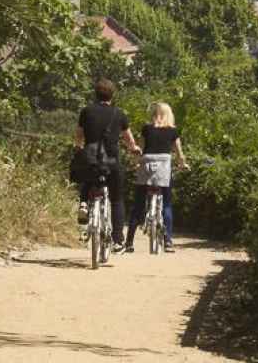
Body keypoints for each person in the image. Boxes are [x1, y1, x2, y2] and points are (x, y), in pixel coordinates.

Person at [75, 79, 140, 258]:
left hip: (91, 158)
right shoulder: (119, 114)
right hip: (111, 160)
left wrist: (79, 146)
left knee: (88, 177)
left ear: (95, 94)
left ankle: (83, 204)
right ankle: (118, 240)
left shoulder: (86, 111)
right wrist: (134, 148)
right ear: (113, 95)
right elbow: (128, 139)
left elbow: (79, 136)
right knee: (117, 199)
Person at [127, 101, 187, 253]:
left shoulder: (146, 129)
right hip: (164, 164)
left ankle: (128, 242)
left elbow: (140, 149)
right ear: (169, 115)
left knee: (139, 203)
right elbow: (179, 153)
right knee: (166, 203)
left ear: (154, 114)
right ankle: (168, 241)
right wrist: (182, 164)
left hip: (147, 162)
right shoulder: (174, 131)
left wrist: (135, 163)